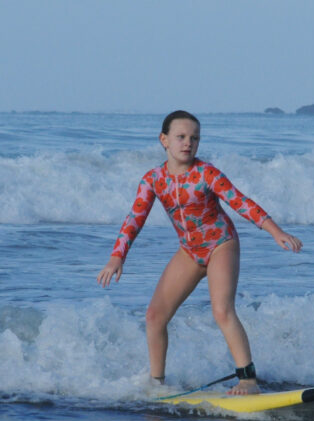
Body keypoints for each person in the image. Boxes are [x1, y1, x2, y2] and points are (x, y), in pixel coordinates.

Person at [97, 110, 302, 395]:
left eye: (194, 138)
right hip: (190, 251)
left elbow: (240, 202)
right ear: (164, 140)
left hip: (221, 244)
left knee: (222, 310)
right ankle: (157, 384)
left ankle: (248, 380)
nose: (188, 143)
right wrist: (117, 256)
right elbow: (134, 219)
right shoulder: (153, 180)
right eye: (180, 137)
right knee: (154, 316)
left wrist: (275, 231)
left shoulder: (207, 173)